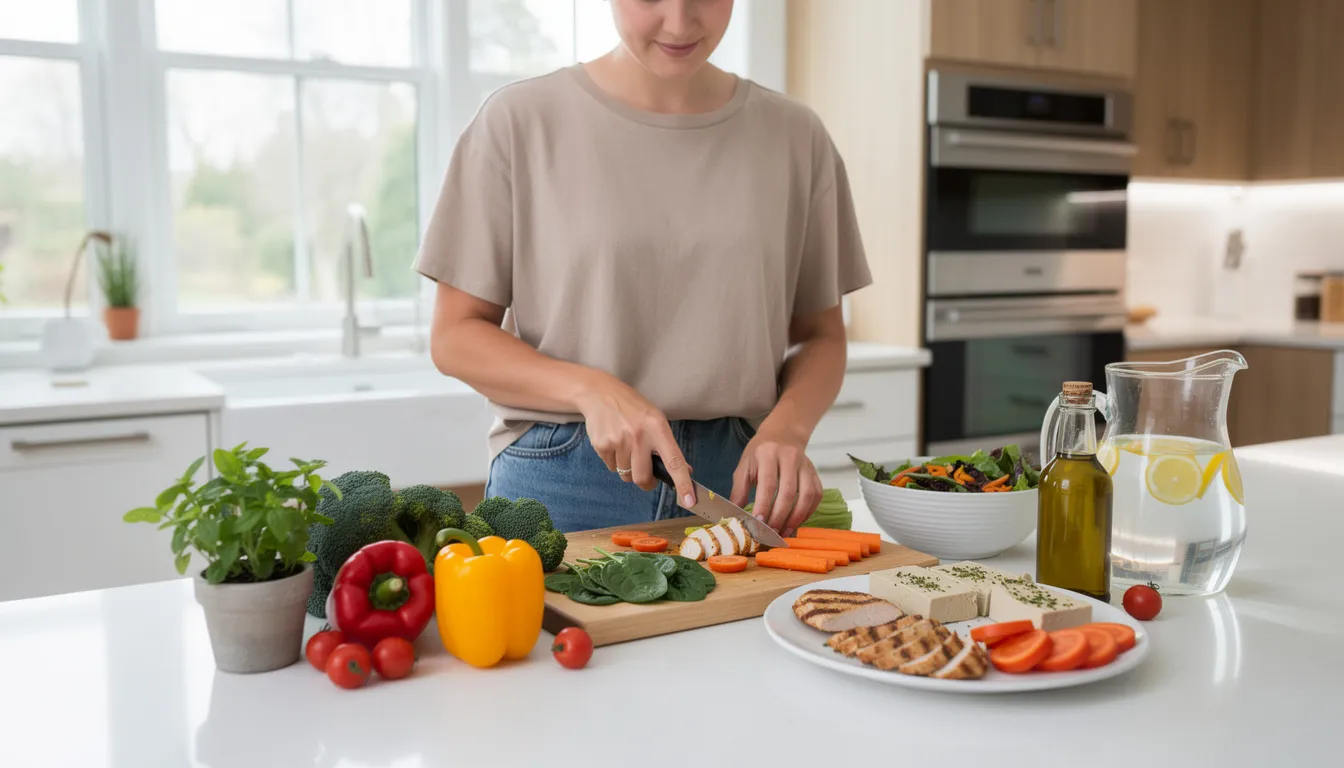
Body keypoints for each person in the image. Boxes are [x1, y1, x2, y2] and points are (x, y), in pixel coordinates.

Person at [416, 0, 870, 536]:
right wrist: (591, 389)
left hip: (740, 481)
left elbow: (820, 335)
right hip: (564, 479)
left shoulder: (797, 136)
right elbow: (455, 336)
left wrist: (788, 430)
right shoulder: (519, 120)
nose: (679, 22)